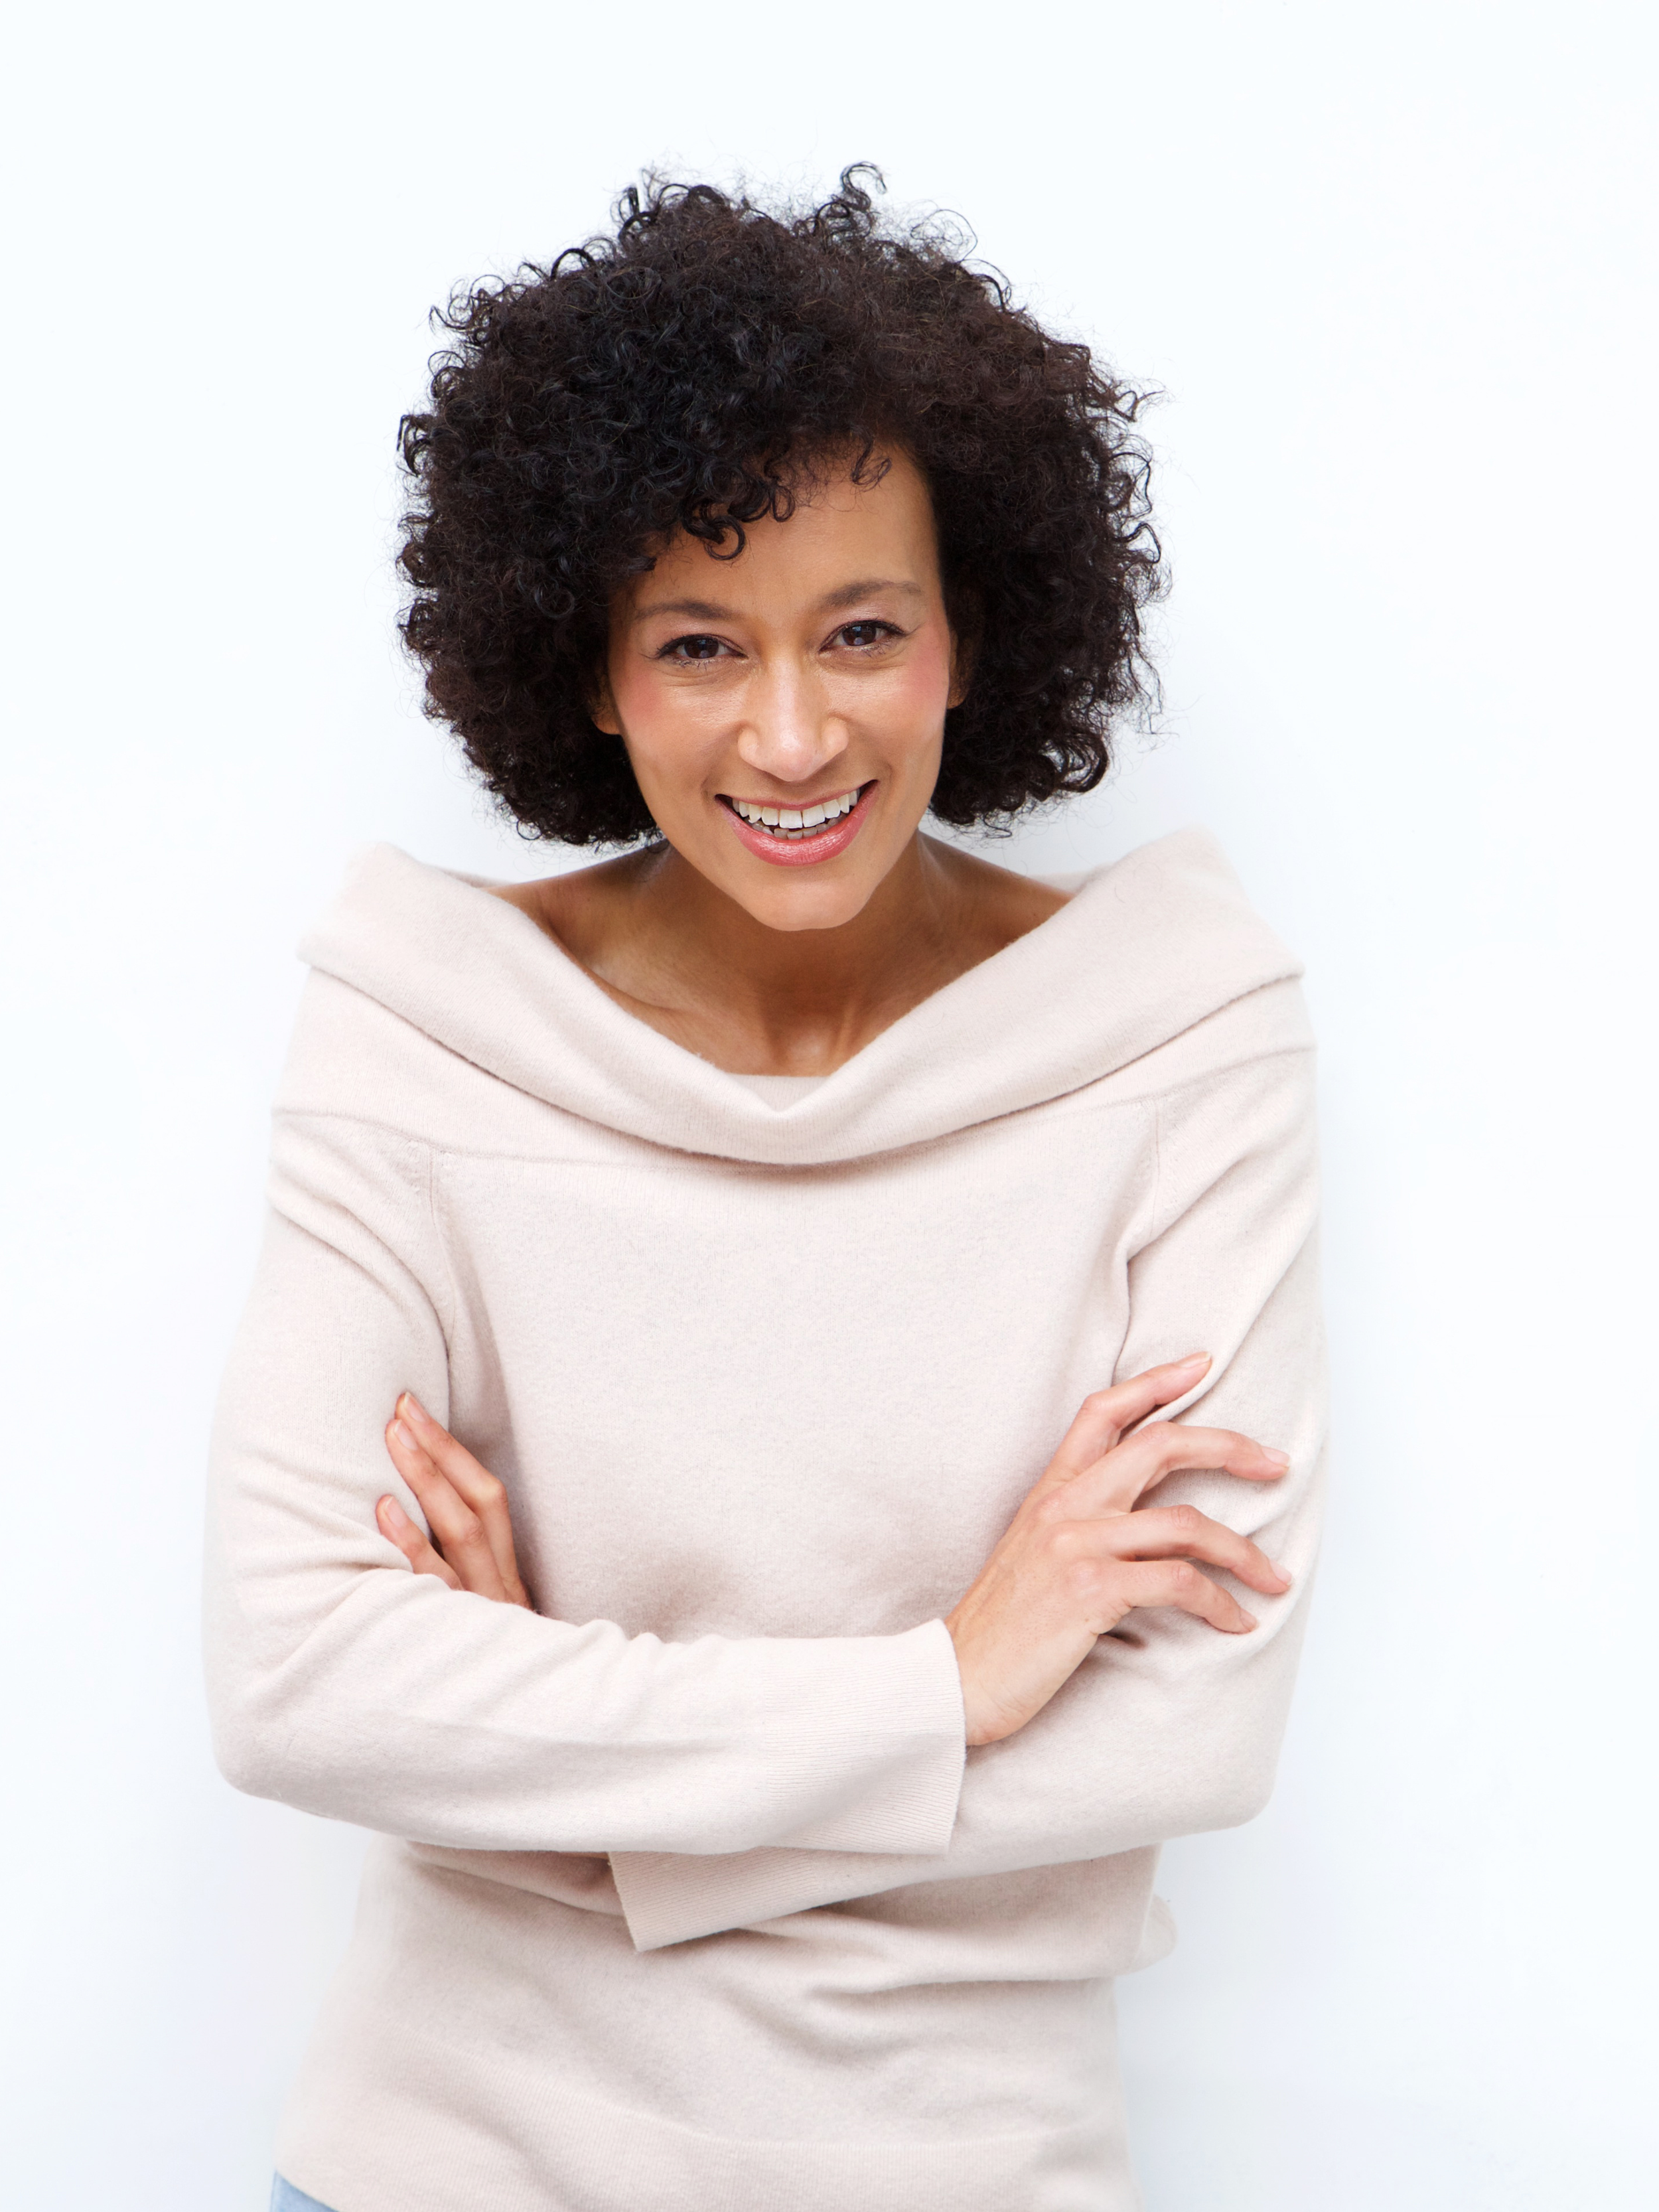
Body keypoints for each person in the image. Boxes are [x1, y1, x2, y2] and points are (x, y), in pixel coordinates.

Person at [206, 169, 1325, 2212]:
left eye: (863, 630)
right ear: (591, 668)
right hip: (447, 2163)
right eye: (701, 641)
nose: (791, 730)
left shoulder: (1176, 1029)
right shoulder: (421, 1021)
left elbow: (1190, 1736)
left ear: (970, 634)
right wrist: (952, 1679)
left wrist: (539, 1774)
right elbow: (296, 1676)